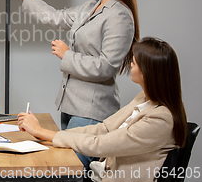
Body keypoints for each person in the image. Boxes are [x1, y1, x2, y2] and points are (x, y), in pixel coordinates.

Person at [5, 0, 139, 169]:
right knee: (67, 170)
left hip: (92, 114)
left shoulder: (120, 15)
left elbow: (106, 67)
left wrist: (68, 55)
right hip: (71, 107)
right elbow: (55, 17)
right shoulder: (92, 6)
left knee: (69, 171)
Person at [18, 37, 187, 182]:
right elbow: (104, 129)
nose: (130, 64)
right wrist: (46, 133)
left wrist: (43, 132)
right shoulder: (144, 98)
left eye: (134, 63)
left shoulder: (161, 119)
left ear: (147, 73)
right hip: (99, 174)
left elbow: (100, 145)